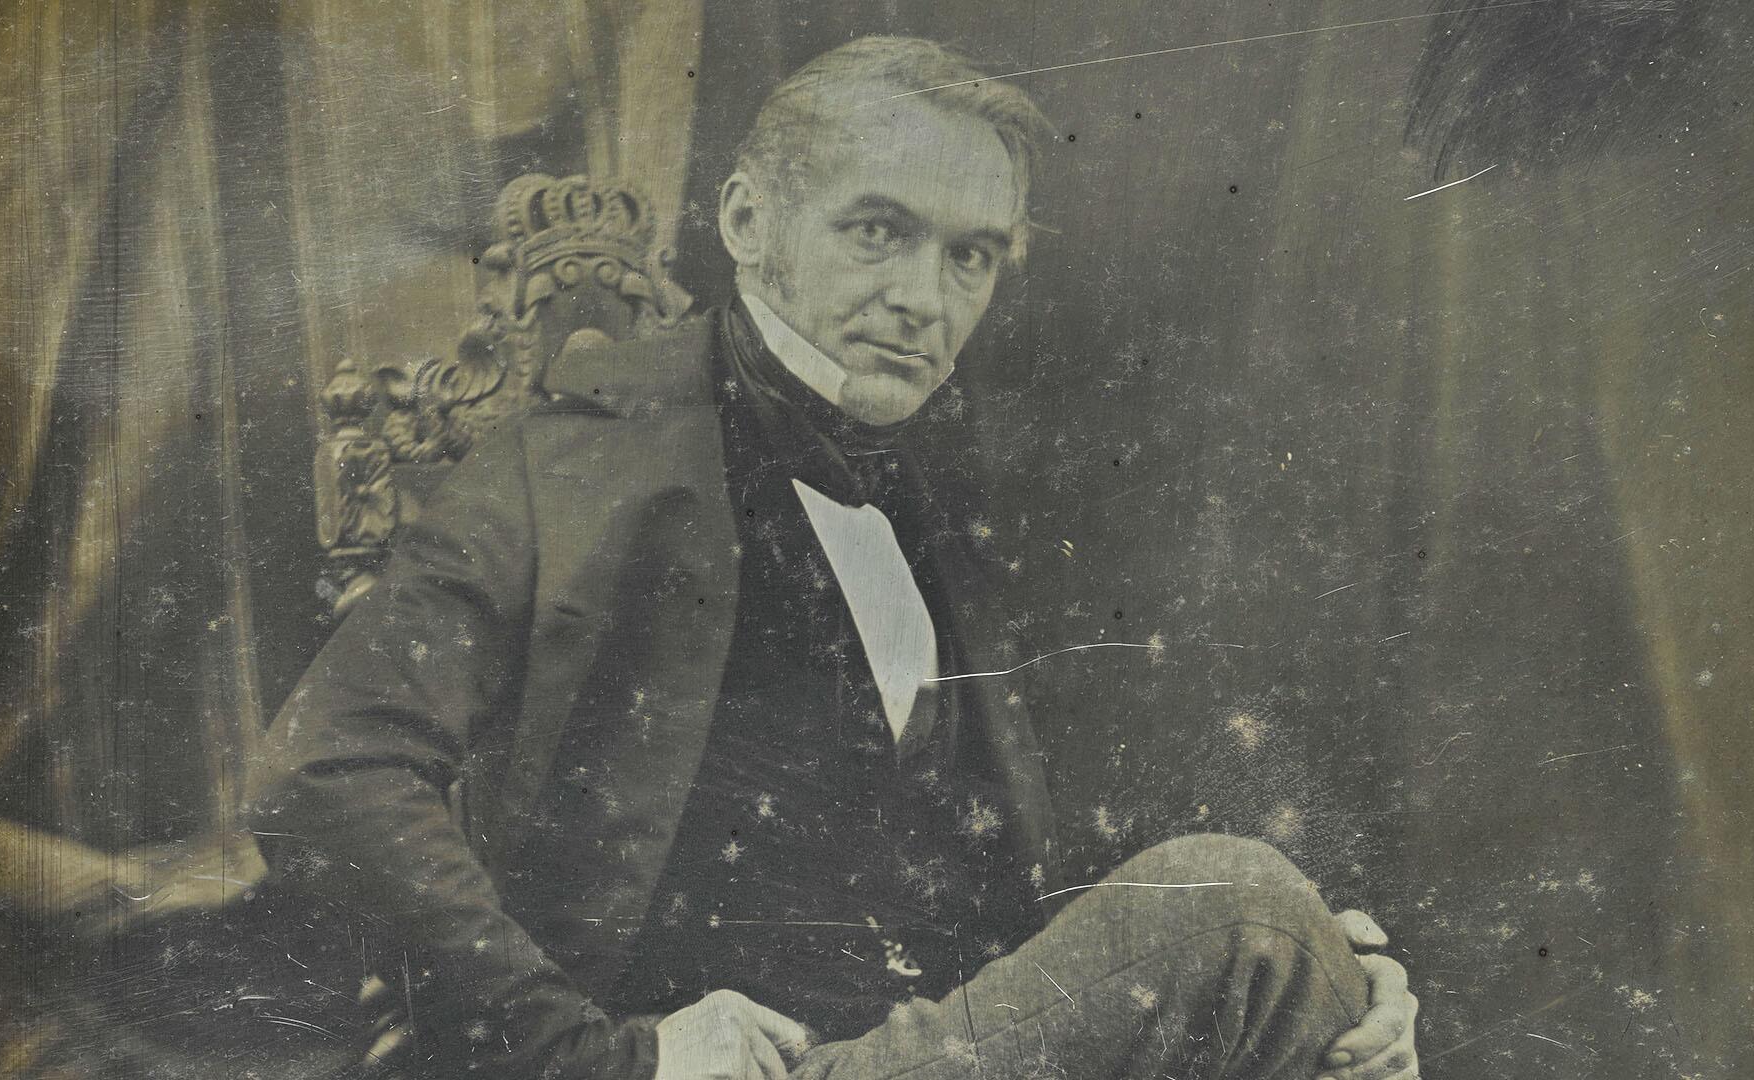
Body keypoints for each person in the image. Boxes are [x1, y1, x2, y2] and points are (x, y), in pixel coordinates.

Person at [251, 36, 1421, 1080]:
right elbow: (320, 772)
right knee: (1245, 912)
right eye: (877, 232)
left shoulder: (928, 488)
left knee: (1301, 952)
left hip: (913, 1046)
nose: (923, 298)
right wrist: (609, 1059)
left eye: (970, 258)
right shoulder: (583, 454)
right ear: (747, 223)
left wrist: (1333, 968)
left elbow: (1013, 857)